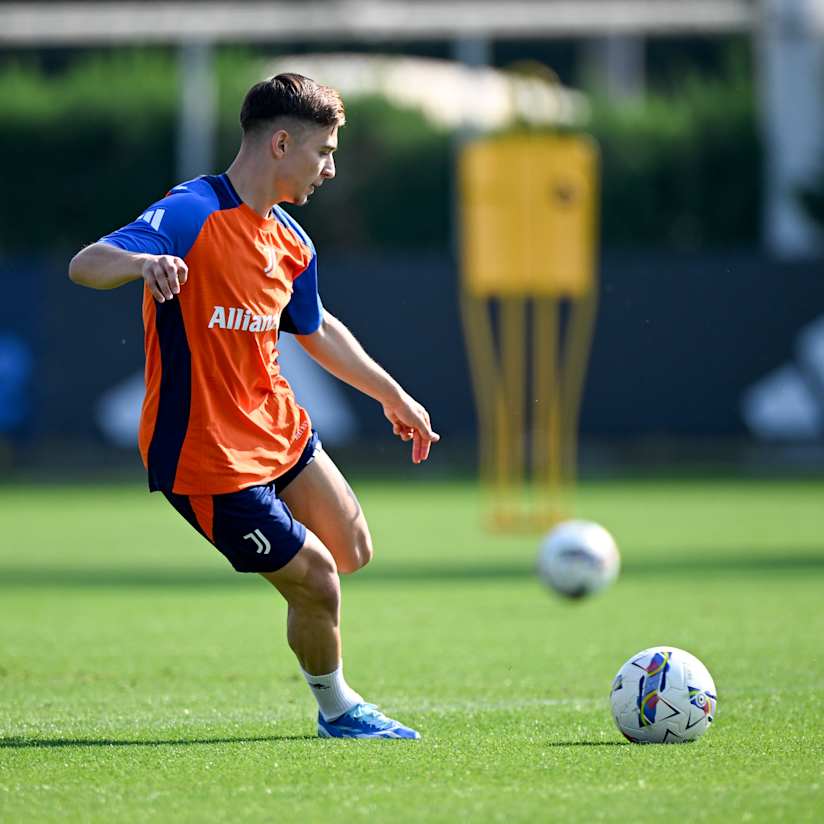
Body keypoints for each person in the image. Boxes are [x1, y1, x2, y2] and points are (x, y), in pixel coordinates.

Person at [68, 73, 439, 740]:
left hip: (277, 428)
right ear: (280, 142)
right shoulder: (190, 212)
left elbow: (316, 327)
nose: (330, 167)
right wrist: (141, 266)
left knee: (351, 548)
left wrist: (395, 395)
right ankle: (339, 711)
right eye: (324, 150)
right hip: (206, 455)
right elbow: (87, 264)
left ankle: (304, 600)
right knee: (320, 581)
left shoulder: (291, 240)